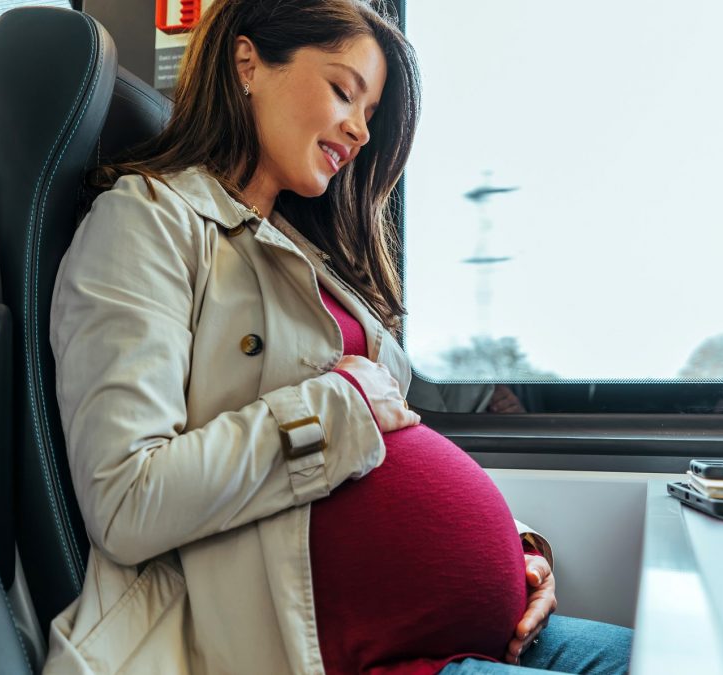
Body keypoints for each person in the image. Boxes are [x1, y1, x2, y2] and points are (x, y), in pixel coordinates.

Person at [44, 1, 632, 673]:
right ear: (249, 66)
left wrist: (515, 549)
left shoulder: (310, 256)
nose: (357, 129)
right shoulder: (147, 224)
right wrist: (341, 401)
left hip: (465, 632)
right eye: (343, 91)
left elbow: (388, 446)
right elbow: (126, 500)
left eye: (371, 114)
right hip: (313, 653)